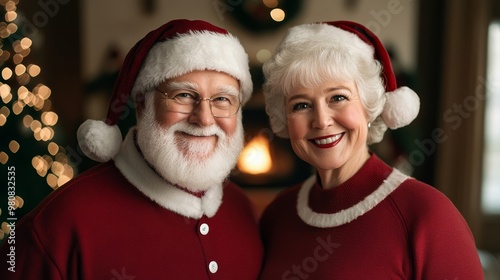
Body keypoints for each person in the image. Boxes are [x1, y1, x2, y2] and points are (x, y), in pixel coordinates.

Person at [0, 19, 263, 279]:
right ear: (142, 104)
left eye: (222, 99)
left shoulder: (245, 210)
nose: (204, 119)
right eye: (183, 95)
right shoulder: (59, 224)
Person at [258, 21, 483, 279]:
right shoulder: (278, 214)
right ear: (284, 119)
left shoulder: (428, 215)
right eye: (300, 105)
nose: (321, 120)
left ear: (368, 106)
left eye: (338, 97)